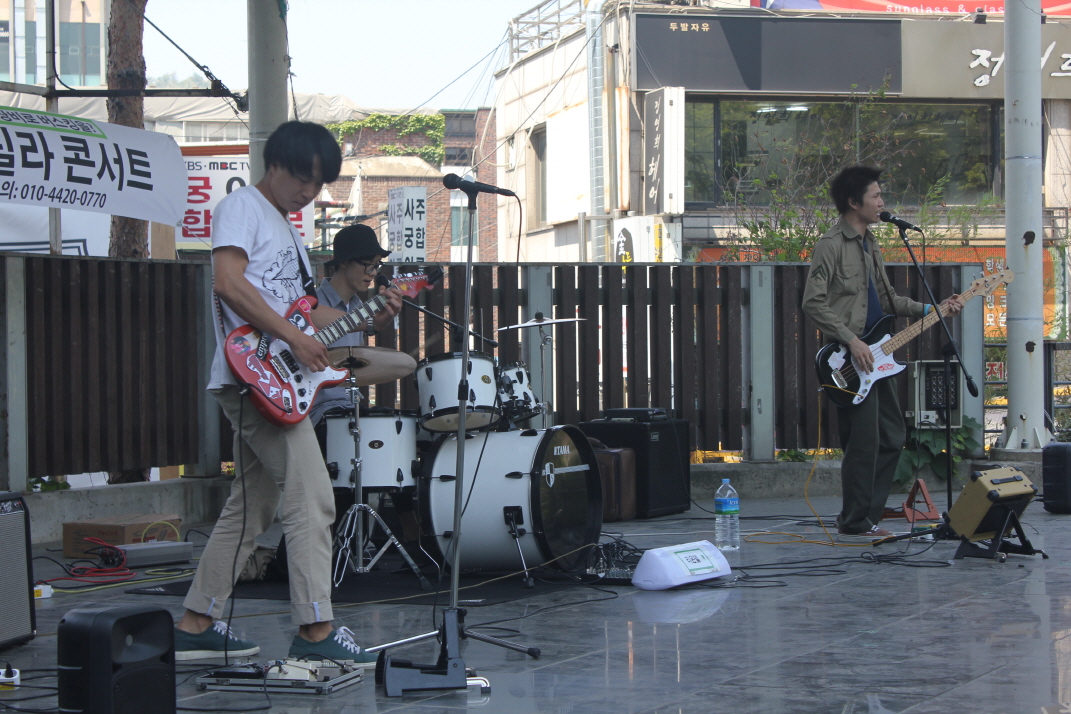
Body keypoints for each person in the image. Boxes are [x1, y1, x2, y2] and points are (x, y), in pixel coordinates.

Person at [173, 121, 378, 665]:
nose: (309, 191)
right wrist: (293, 336)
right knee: (312, 497)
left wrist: (371, 313)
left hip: (275, 381)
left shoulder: (289, 230)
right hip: (253, 377)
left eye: (319, 183)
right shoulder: (243, 207)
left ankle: (195, 623)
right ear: (276, 164)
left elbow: (305, 313)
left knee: (251, 508)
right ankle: (315, 628)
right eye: (303, 178)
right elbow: (227, 282)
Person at [802, 165, 965, 540]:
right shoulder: (830, 244)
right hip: (849, 359)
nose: (882, 202)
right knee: (863, 443)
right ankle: (855, 520)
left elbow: (889, 299)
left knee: (892, 436)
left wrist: (933, 309)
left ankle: (865, 516)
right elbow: (812, 302)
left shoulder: (870, 243)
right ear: (853, 202)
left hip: (877, 355)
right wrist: (852, 340)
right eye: (875, 196)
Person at [308, 223, 402, 432]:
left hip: (349, 408)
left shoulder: (360, 308)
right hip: (315, 412)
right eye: (368, 264)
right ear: (344, 262)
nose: (373, 273)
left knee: (394, 424)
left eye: (377, 266)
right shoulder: (312, 305)